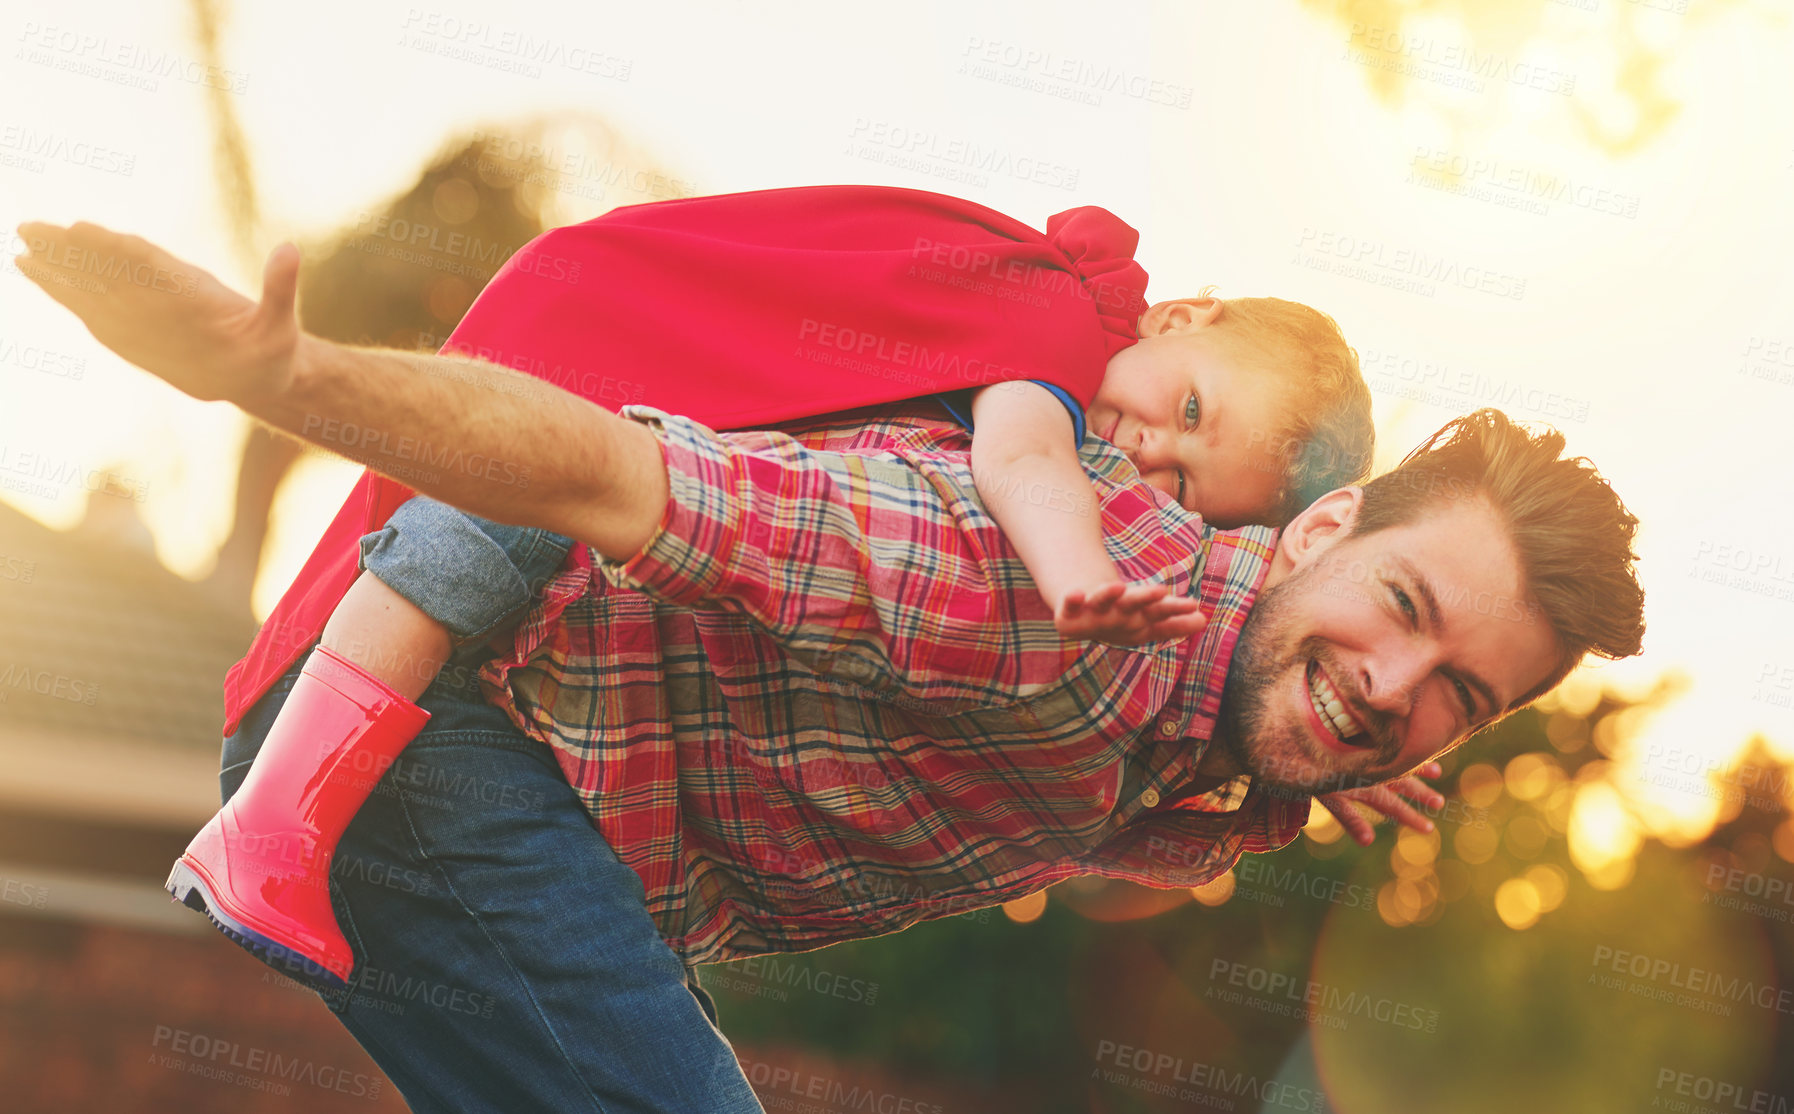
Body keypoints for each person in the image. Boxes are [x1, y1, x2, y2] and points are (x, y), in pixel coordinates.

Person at [14, 220, 1645, 1114]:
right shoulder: (1042, 573)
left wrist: (1277, 796)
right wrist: (283, 374)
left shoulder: (1187, 715)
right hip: (442, 757)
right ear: (1318, 533)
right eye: (1402, 604)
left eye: (1456, 689)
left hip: (522, 814)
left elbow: (1098, 836)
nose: (1391, 684)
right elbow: (611, 469)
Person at [163, 186, 1379, 988]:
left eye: (1189, 488)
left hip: (676, 430)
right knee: (510, 506)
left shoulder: (1084, 412)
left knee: (537, 513)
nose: (1151, 454)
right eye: (1190, 409)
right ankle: (276, 815)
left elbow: (1170, 708)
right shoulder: (1056, 340)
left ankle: (279, 811)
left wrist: (1328, 724)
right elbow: (1025, 465)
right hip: (634, 360)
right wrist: (1079, 575)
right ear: (1187, 314)